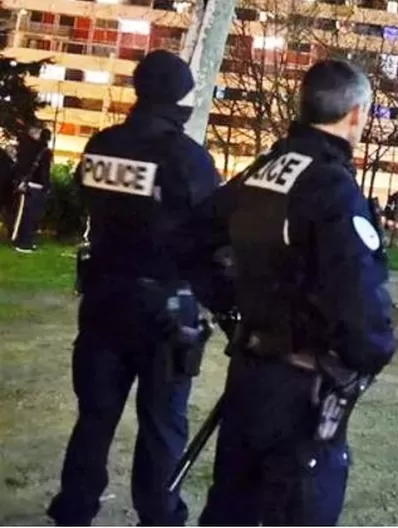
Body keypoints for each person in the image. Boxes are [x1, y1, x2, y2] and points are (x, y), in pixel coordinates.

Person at [198, 59, 396, 526]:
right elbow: (362, 305)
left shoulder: (266, 170)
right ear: (355, 115)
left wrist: (233, 308)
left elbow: (191, 238)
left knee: (232, 507)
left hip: (250, 374)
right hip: (304, 389)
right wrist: (365, 359)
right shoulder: (331, 188)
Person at [47, 50, 237, 526]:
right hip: (164, 311)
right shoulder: (187, 158)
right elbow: (210, 236)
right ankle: (159, 514)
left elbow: (91, 202)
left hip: (104, 297)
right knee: (162, 423)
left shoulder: (102, 144)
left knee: (95, 416)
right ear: (177, 95)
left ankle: (74, 508)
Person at [10, 126, 52, 252]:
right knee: (32, 216)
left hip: (26, 185)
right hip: (37, 187)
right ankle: (25, 243)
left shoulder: (28, 148)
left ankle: (21, 239)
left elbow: (20, 166)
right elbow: (44, 172)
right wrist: (47, 186)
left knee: (24, 214)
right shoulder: (45, 151)